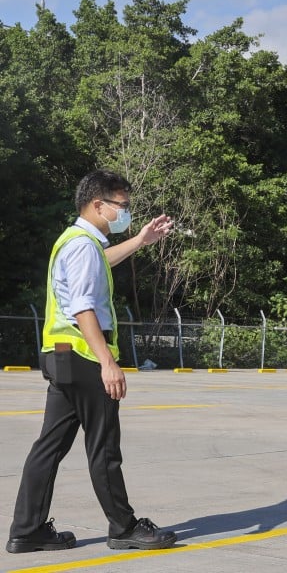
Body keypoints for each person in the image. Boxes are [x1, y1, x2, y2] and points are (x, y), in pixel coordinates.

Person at [6, 170, 178, 554]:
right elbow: (83, 306)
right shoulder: (83, 246)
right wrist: (107, 363)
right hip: (85, 357)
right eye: (123, 206)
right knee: (103, 447)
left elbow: (101, 262)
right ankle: (123, 527)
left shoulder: (78, 242)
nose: (126, 212)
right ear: (98, 205)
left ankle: (27, 529)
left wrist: (141, 239)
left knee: (48, 447)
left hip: (62, 357)